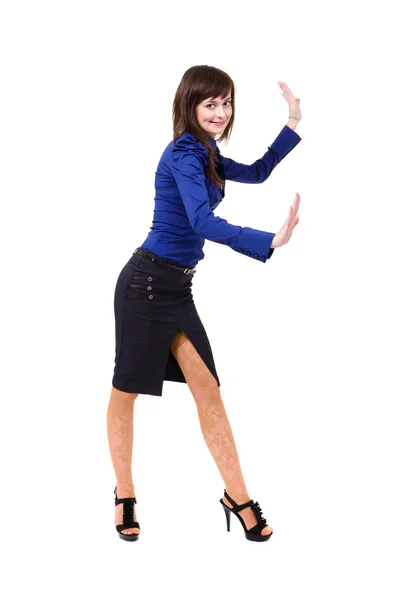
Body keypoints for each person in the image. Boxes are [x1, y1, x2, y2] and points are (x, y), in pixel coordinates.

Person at [107, 65, 302, 542]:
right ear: (190, 106)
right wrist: (267, 240)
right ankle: (125, 494)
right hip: (144, 287)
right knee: (126, 392)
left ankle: (237, 497)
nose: (221, 111)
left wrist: (291, 125)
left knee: (209, 391)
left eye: (226, 102)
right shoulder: (182, 154)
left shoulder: (208, 152)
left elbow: (255, 172)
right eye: (210, 103)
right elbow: (199, 222)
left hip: (177, 290)